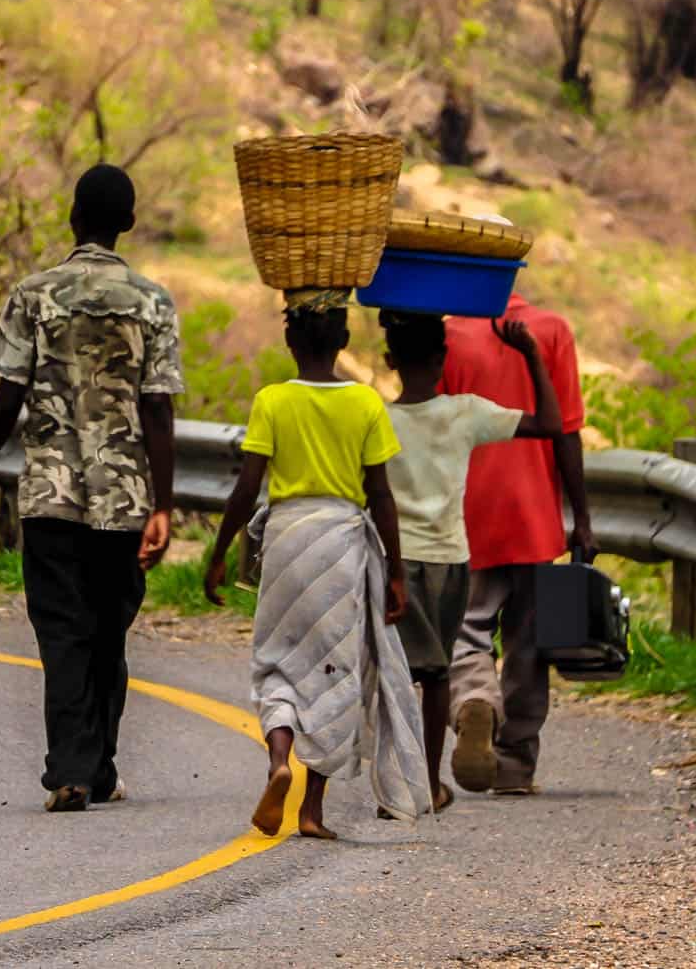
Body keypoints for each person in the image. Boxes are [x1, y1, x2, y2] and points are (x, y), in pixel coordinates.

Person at [0, 164, 184, 813]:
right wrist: (164, 502)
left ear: (73, 216)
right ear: (129, 222)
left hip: (50, 496)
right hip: (122, 500)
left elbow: (8, 392)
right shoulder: (152, 302)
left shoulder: (34, 294)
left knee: (62, 632)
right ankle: (99, 762)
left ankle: (74, 767)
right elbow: (159, 408)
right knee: (109, 632)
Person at [204, 293, 430, 839]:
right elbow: (381, 495)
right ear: (344, 342)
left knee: (278, 662)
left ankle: (279, 760)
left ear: (289, 341)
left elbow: (247, 487)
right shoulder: (366, 404)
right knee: (332, 672)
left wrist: (219, 553)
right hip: (340, 545)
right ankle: (311, 811)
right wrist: (396, 572)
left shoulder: (273, 401)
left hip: (285, 540)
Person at [379, 312, 562, 812]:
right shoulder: (466, 413)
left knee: (395, 672)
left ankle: (395, 781)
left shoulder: (376, 418)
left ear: (389, 359)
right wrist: (530, 357)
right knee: (439, 672)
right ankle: (433, 784)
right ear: (443, 361)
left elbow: (371, 494)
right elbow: (551, 424)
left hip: (398, 560)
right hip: (452, 558)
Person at [441, 291, 594, 796]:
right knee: (528, 644)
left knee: (467, 630)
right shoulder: (551, 330)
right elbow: (566, 431)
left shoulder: (448, 334)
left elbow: (434, 430)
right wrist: (582, 519)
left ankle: (473, 702)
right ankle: (513, 765)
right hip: (534, 516)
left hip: (468, 512)